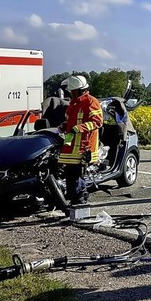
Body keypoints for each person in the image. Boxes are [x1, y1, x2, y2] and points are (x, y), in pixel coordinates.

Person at [58, 75, 103, 206]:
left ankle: (80, 201)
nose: (71, 93)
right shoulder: (73, 103)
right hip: (70, 146)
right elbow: (71, 121)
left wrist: (79, 128)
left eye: (73, 91)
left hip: (84, 146)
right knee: (70, 175)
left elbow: (97, 122)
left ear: (81, 90)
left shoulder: (91, 102)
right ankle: (73, 201)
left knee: (78, 176)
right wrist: (65, 126)